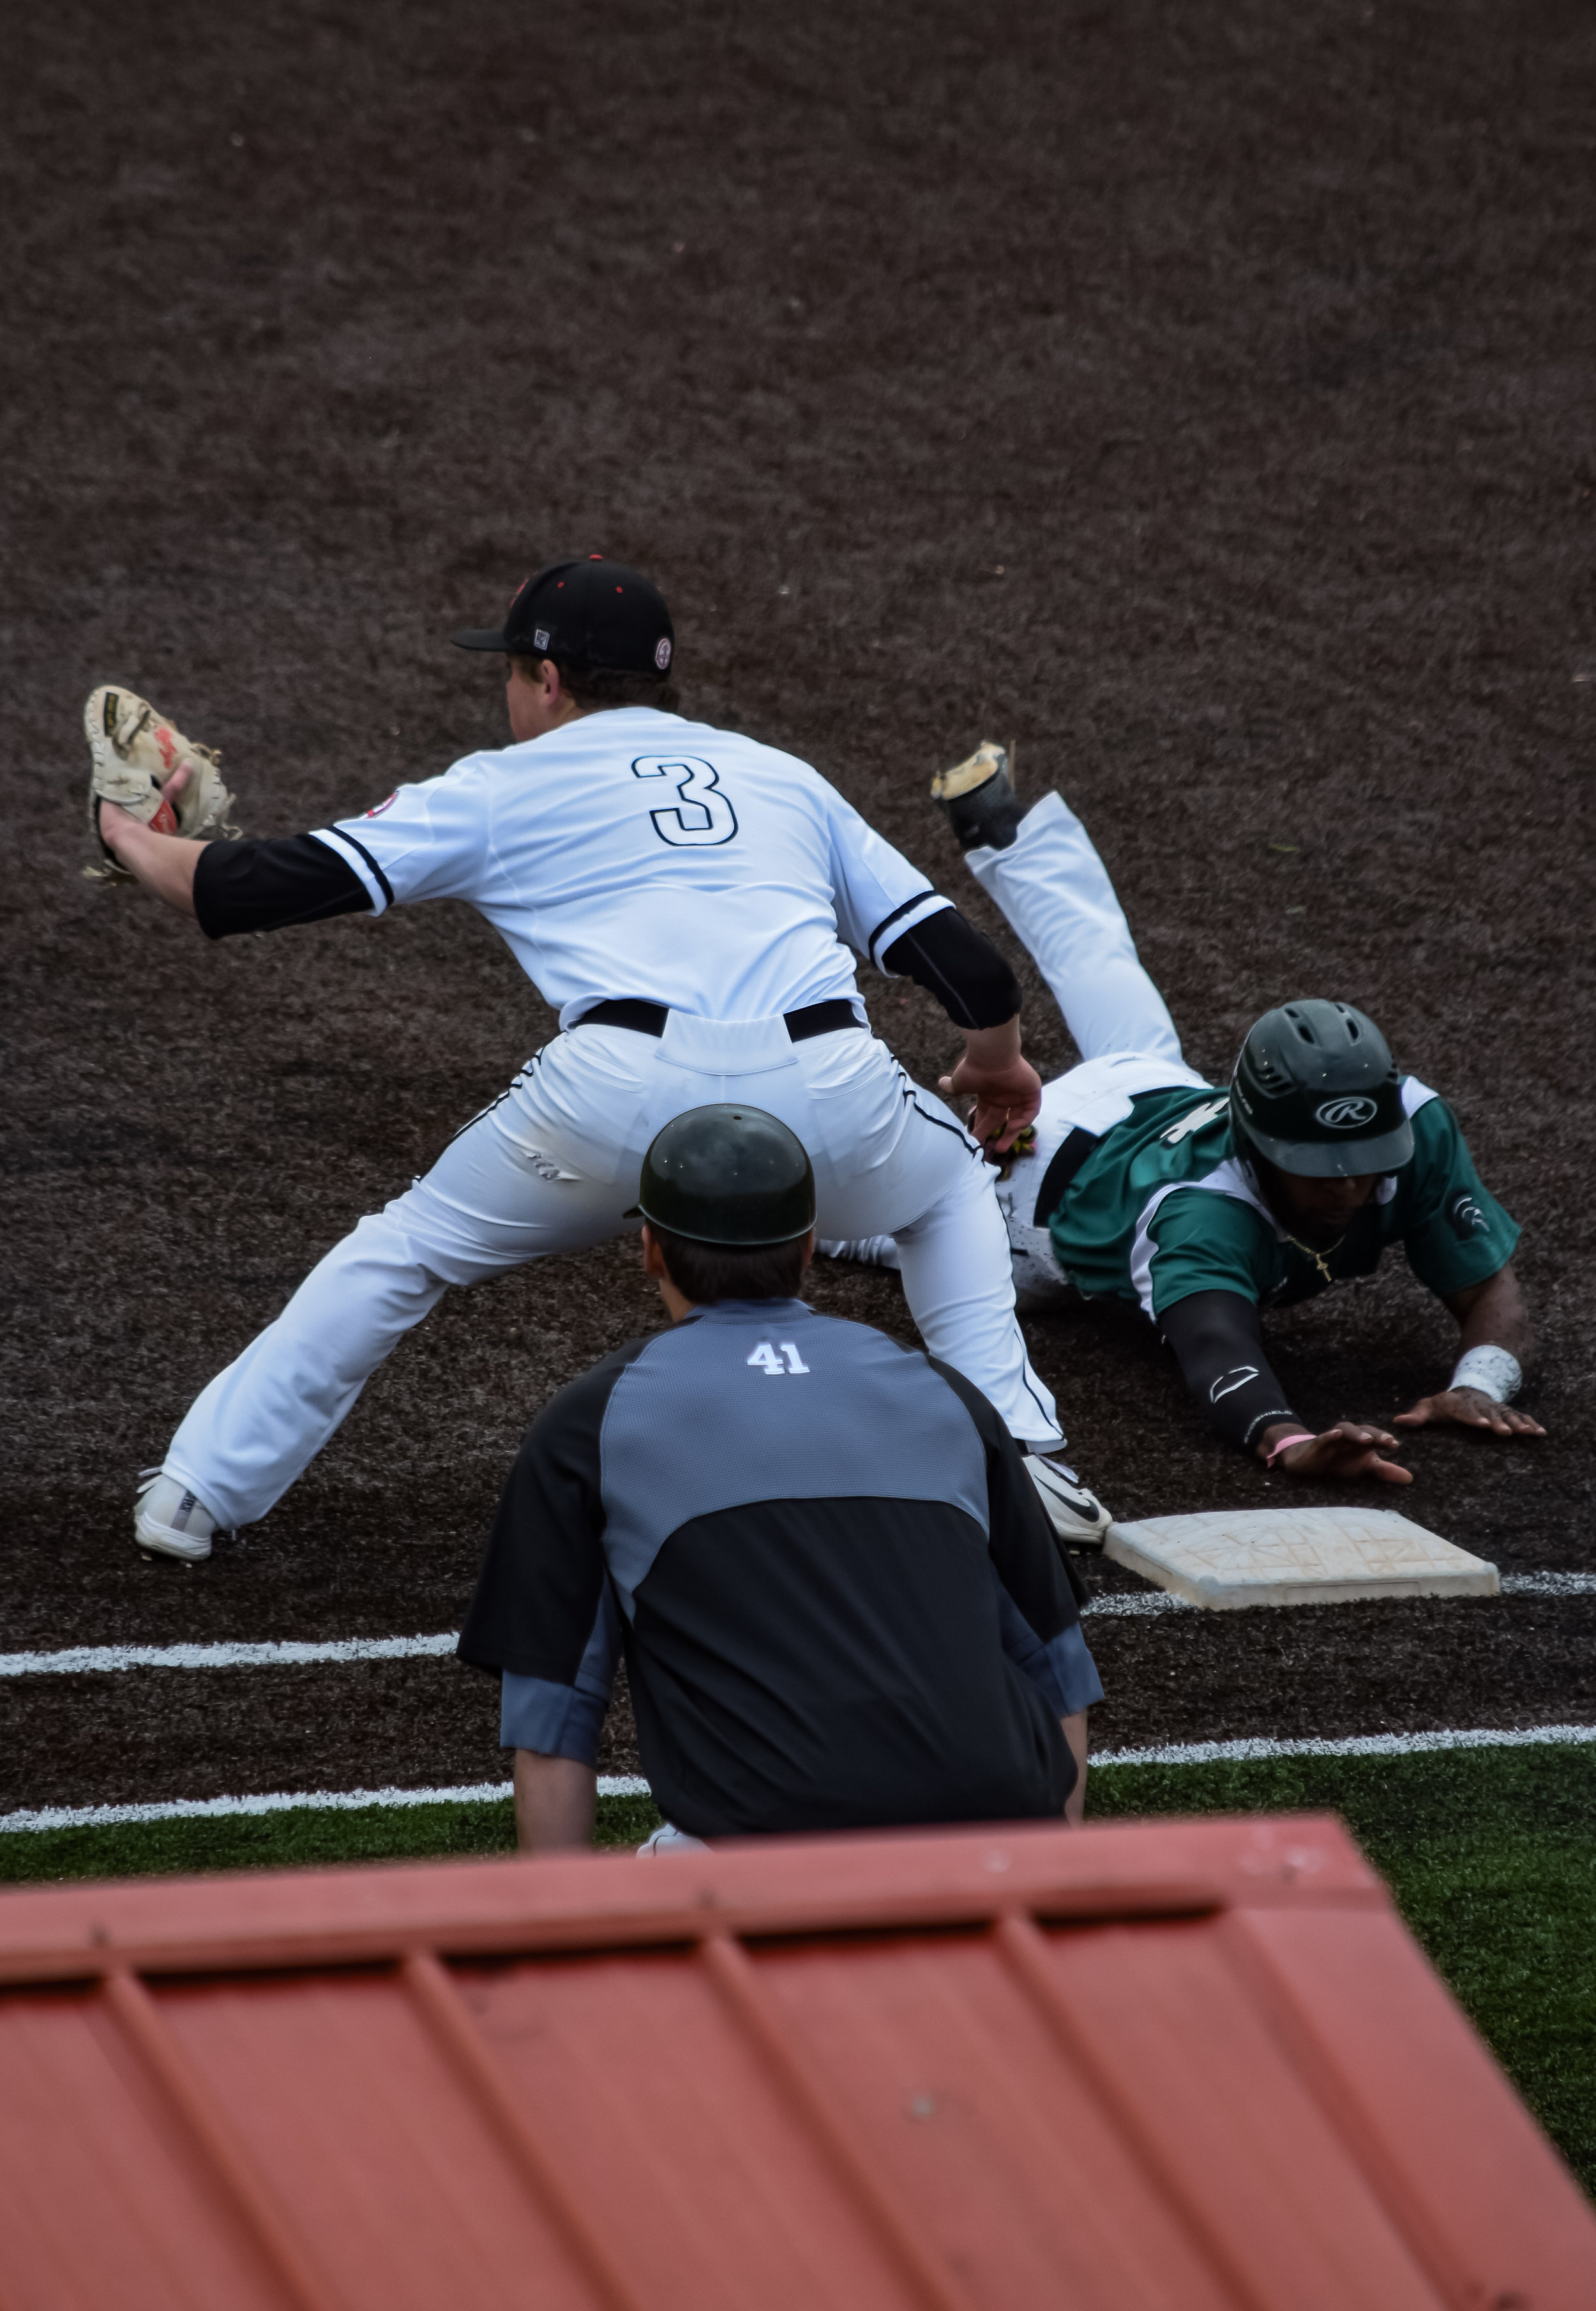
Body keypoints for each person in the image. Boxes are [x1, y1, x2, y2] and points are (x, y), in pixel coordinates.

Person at [90, 560, 1105, 1566]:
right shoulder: (781, 775)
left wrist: (130, 837)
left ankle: (198, 1492)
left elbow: (246, 887)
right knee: (945, 1197)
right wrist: (998, 1066)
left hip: (613, 1100)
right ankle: (1021, 1454)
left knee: (405, 1251)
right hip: (828, 1098)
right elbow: (969, 970)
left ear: (547, 679)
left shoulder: (498, 784)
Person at [825, 745, 1542, 1489]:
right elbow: (1215, 1350)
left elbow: (1490, 1286)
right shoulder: (1202, 1217)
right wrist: (1289, 1441)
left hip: (1153, 1084)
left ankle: (1003, 829)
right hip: (1031, 1188)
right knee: (861, 1225)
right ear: (1258, 1144)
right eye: (1319, 1168)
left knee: (1100, 958)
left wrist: (1478, 1385)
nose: (1349, 1188)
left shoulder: (1412, 1125)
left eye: (1362, 1161)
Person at [456, 1104, 1103, 1852]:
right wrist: (1052, 1891)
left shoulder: (590, 1423)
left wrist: (561, 1961)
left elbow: (553, 1721)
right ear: (808, 1247)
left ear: (651, 1250)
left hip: (771, 1866)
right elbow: (1058, 1667)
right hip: (998, 1848)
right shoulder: (944, 1394)